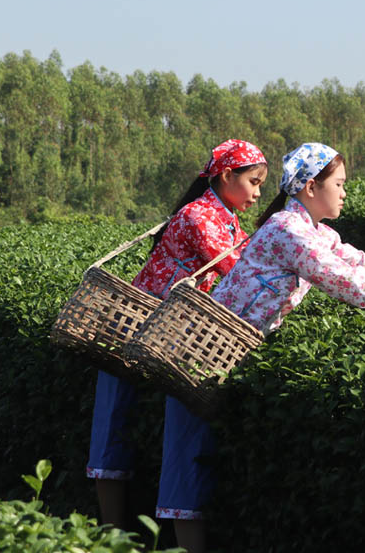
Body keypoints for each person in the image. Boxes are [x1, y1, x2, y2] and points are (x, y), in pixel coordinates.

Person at [158, 143, 365, 544]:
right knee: (190, 462)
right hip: (207, 351)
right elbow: (343, 280)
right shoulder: (287, 230)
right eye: (339, 183)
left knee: (207, 458)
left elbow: (364, 264)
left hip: (231, 351)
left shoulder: (314, 231)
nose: (345, 192)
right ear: (311, 187)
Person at [86, 139, 267, 553]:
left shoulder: (230, 220)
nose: (258, 192)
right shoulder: (199, 216)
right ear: (226, 176)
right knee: (113, 426)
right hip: (135, 325)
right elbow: (237, 271)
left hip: (172, 330)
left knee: (128, 424)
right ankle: (112, 535)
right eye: (254, 182)